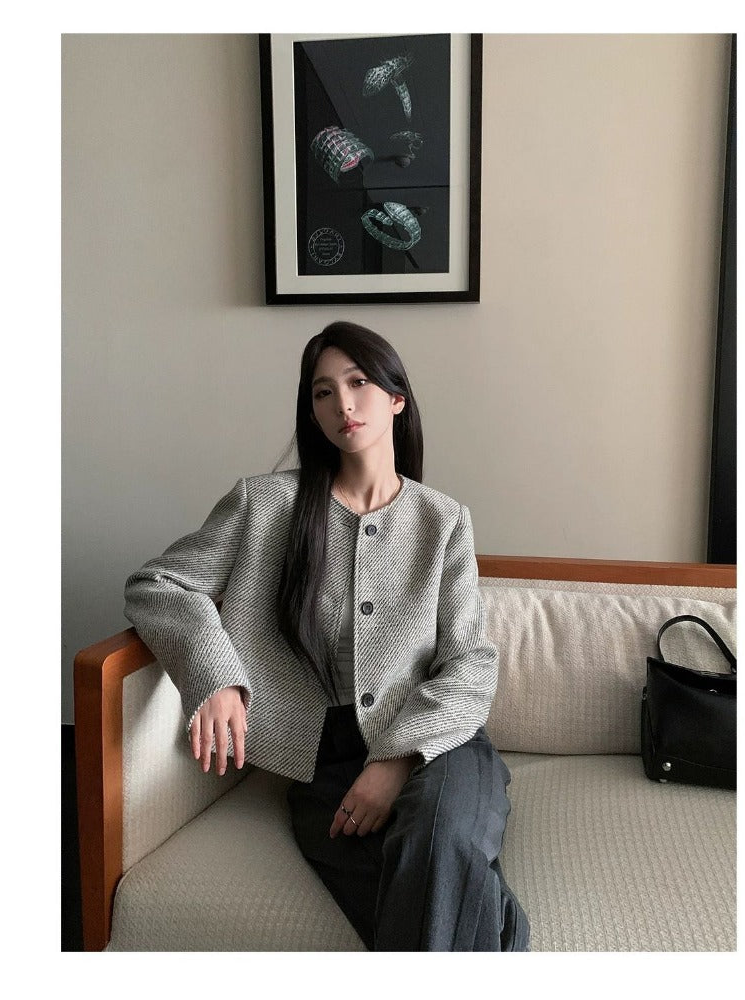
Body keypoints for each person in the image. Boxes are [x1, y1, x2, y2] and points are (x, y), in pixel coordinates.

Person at [123, 320, 530, 951]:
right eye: (322, 391)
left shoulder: (443, 520)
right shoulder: (264, 506)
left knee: (437, 839)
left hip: (440, 746)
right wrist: (217, 677)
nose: (342, 403)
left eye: (359, 382)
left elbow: (471, 665)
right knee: (477, 923)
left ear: (397, 399)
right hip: (324, 767)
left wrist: (393, 761)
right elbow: (158, 584)